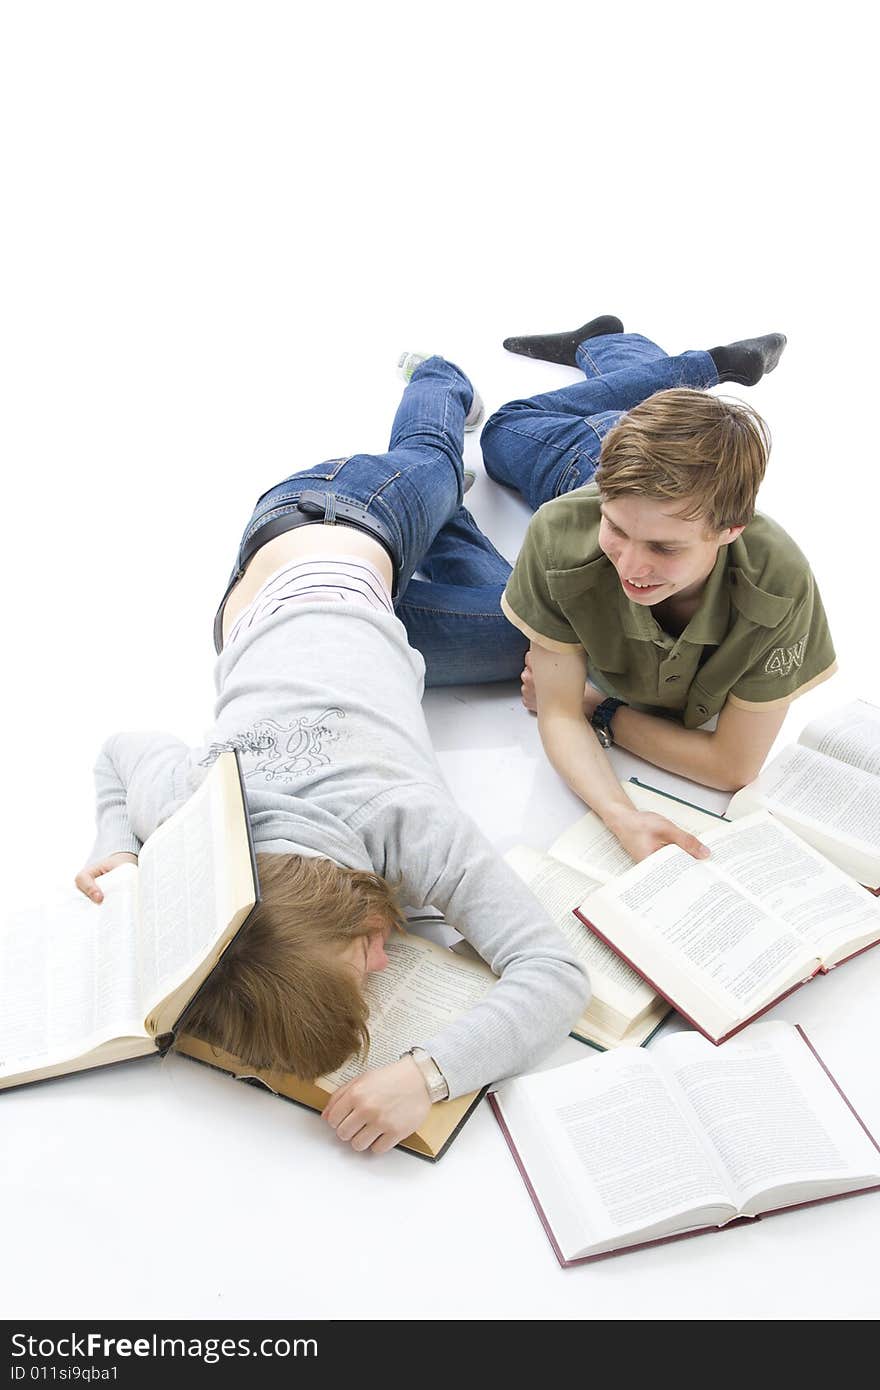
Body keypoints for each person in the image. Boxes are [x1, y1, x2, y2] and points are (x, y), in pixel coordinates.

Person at [74, 353, 590, 1155]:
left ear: (346, 902)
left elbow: (555, 976)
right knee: (539, 632)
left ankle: (442, 379)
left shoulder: (394, 818)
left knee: (437, 463)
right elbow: (117, 752)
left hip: (339, 517)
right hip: (359, 607)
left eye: (362, 957)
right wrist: (117, 844)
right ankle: (444, 534)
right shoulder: (191, 818)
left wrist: (429, 1072)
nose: (386, 963)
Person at [480, 316, 837, 864]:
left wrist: (598, 708)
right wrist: (621, 815)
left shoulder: (779, 580)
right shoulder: (567, 527)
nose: (631, 564)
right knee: (504, 429)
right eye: (616, 532)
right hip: (585, 463)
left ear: (730, 532)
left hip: (646, 471)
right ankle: (702, 365)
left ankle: (611, 346)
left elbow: (732, 768)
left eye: (665, 549)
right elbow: (556, 711)